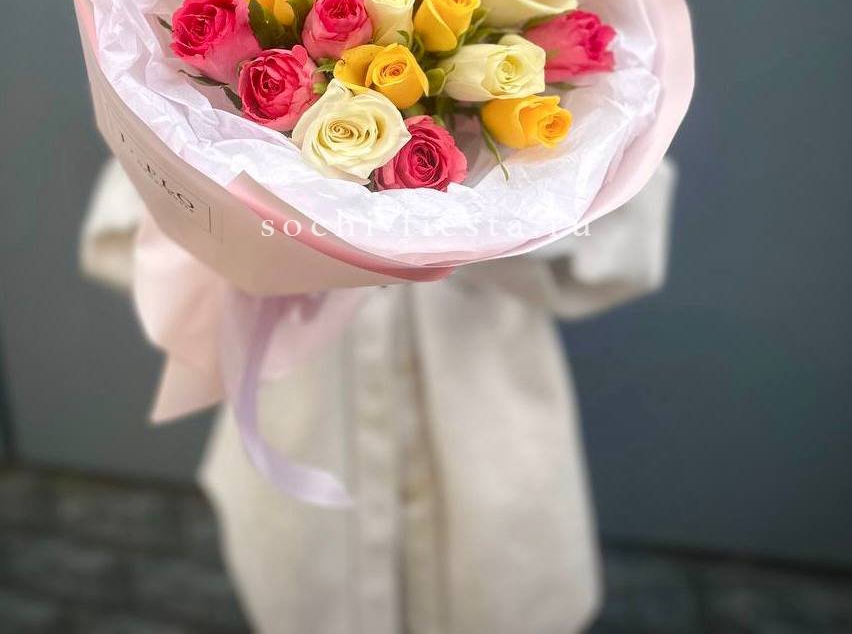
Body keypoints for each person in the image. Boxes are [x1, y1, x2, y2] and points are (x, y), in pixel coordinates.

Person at [81, 154, 675, 633]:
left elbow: (625, 237)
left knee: (497, 585)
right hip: (303, 419)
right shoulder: (209, 76)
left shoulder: (562, 72)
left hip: (488, 414)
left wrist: (484, 219)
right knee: (305, 582)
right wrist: (272, 215)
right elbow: (129, 230)